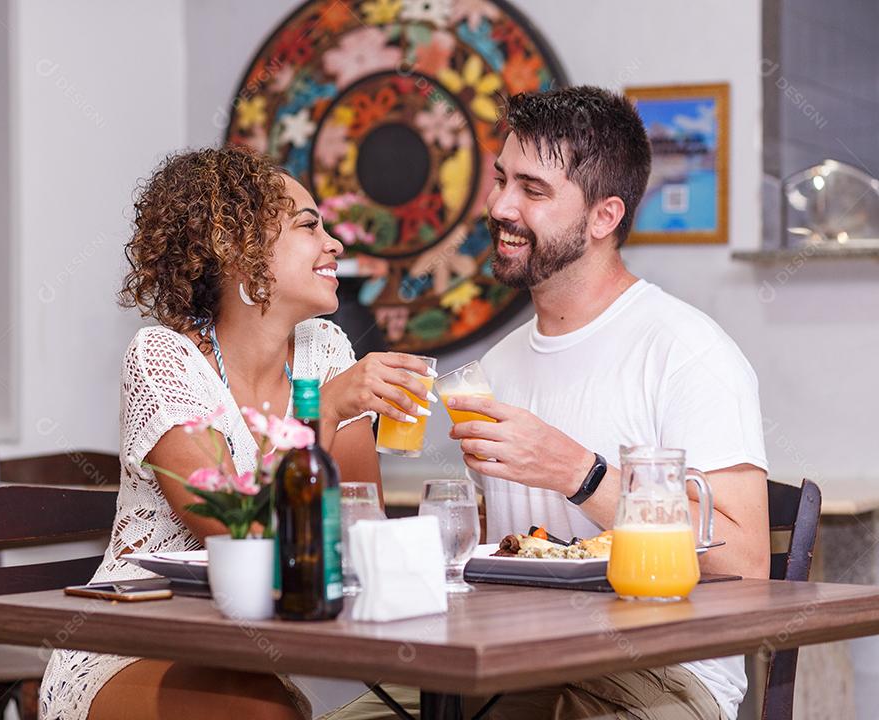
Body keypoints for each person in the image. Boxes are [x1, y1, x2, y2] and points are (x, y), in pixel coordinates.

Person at [327, 87, 769, 720]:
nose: (501, 205)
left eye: (533, 192)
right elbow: (511, 551)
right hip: (511, 661)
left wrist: (575, 472)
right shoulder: (496, 368)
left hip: (657, 673)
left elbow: (746, 564)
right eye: (502, 178)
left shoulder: (686, 351)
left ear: (603, 217)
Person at [39, 146, 434, 720]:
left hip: (253, 645)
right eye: (308, 226)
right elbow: (227, 522)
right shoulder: (162, 359)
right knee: (265, 714)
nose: (335, 244)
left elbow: (356, 517)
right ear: (237, 249)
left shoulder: (325, 351)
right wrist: (322, 410)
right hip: (137, 640)